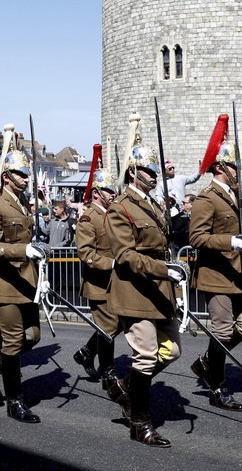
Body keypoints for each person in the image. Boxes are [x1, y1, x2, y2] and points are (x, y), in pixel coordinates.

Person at [105, 135, 183, 447]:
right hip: (134, 290)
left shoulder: (153, 205)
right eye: (150, 171)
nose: (155, 176)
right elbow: (125, 256)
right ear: (134, 173)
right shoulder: (120, 207)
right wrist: (164, 270)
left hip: (158, 289)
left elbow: (161, 247)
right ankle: (140, 423)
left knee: (172, 351)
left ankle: (125, 386)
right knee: (147, 355)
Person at [0, 125, 45, 424]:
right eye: (21, 175)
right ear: (7, 177)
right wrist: (23, 251)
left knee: (33, 336)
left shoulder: (24, 202)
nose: (26, 179)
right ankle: (15, 401)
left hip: (25, 279)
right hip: (2, 279)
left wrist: (37, 251)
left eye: (27, 175)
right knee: (14, 340)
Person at [189, 140, 242, 413]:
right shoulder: (207, 198)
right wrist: (231, 241)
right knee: (222, 330)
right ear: (220, 167)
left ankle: (206, 361)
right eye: (232, 166)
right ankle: (217, 387)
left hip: (235, 272)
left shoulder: (233, 196)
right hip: (214, 274)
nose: (236, 171)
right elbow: (196, 237)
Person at [73, 169, 121, 391]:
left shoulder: (112, 214)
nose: (113, 194)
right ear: (97, 193)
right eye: (109, 191)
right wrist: (111, 264)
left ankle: (87, 352)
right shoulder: (88, 217)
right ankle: (108, 373)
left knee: (117, 323)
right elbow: (86, 253)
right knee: (108, 327)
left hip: (117, 280)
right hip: (98, 281)